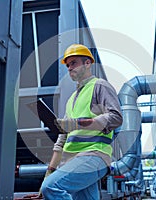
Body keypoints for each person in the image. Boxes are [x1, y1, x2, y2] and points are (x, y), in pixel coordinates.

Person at [40, 44, 123, 200]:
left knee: (51, 187)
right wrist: (50, 171)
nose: (70, 68)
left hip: (94, 155)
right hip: (75, 160)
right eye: (68, 65)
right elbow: (62, 138)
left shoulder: (100, 86)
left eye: (74, 63)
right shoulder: (71, 100)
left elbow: (116, 117)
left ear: (87, 63)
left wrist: (77, 123)